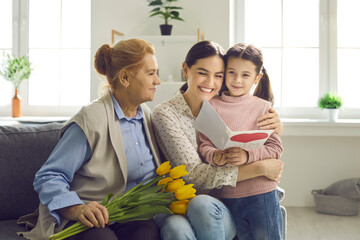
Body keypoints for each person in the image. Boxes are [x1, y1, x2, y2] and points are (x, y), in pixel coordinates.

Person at [19, 38, 163, 240]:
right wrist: (76, 208)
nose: (158, 81)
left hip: (129, 215)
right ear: (125, 78)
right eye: (151, 74)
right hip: (86, 215)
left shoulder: (146, 116)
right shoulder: (91, 119)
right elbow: (49, 175)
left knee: (148, 234)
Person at [152, 40, 284, 240]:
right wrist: (259, 168)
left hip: (220, 204)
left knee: (203, 206)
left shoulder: (225, 103)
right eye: (202, 73)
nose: (210, 82)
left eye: (218, 75)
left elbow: (260, 130)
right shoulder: (167, 114)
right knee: (178, 227)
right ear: (185, 70)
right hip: (186, 202)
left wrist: (277, 127)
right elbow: (195, 173)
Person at [198, 43, 284, 240]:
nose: (237, 80)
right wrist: (215, 155)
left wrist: (247, 155)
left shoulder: (263, 108)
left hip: (262, 194)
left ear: (257, 78)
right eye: (231, 73)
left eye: (245, 75)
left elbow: (275, 147)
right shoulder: (211, 106)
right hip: (227, 195)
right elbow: (204, 144)